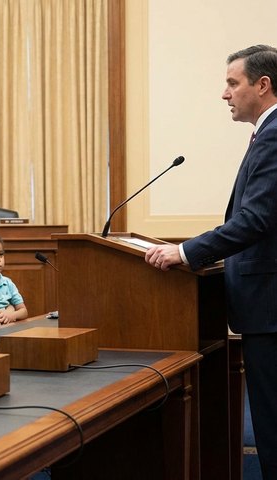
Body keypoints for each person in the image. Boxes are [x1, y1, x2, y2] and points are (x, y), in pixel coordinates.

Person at [145, 45, 277, 478]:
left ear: (263, 85)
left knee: (273, 425)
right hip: (264, 306)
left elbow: (256, 218)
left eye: (232, 83)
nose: (225, 94)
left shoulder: (274, 135)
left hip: (270, 308)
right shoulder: (266, 132)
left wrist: (184, 251)